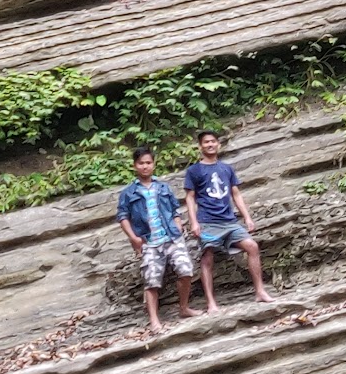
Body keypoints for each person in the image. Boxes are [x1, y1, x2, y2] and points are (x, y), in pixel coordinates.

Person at [183, 130, 275, 310]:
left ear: (218, 144)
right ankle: (211, 302)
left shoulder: (227, 169)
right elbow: (190, 198)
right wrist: (193, 222)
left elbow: (236, 194)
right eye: (206, 142)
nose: (210, 145)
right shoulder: (194, 171)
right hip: (207, 221)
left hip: (229, 221)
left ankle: (260, 291)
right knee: (207, 257)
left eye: (213, 141)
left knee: (252, 247)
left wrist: (247, 217)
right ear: (200, 146)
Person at [117, 146, 201, 334]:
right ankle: (154, 321)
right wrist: (133, 238)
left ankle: (184, 308)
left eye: (148, 163)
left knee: (186, 270)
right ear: (134, 166)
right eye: (141, 163)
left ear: (153, 165)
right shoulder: (128, 193)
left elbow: (174, 209)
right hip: (149, 242)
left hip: (171, 237)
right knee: (152, 281)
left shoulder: (163, 187)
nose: (145, 166)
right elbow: (123, 217)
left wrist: (178, 223)